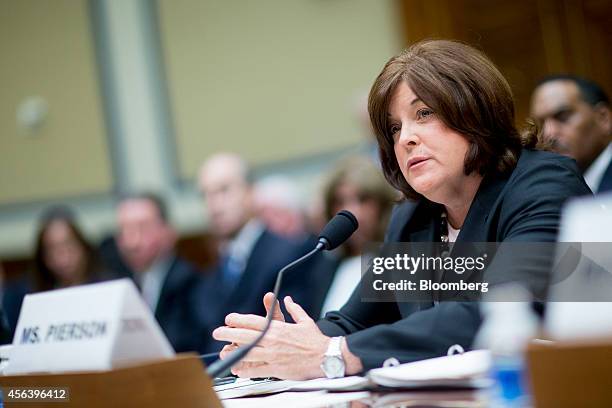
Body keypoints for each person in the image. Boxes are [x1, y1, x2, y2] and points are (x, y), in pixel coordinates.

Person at [211, 39, 591, 380]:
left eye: (424, 113)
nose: (406, 138)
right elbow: (352, 321)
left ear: (475, 110)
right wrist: (283, 344)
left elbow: (495, 313)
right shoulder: (416, 218)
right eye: (394, 128)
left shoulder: (543, 185)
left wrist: (332, 354)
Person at [196, 153, 314, 353]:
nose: (214, 205)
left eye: (224, 190)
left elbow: (291, 333)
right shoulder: (214, 270)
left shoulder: (288, 253)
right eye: (206, 195)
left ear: (250, 192)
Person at [116, 193, 202, 353]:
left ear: (168, 231)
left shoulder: (190, 283)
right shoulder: (124, 286)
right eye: (123, 230)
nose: (131, 242)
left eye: (142, 228)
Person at [311, 156, 396, 318]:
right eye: (340, 201)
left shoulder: (399, 260)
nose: (352, 211)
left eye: (363, 200)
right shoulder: (324, 267)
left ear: (382, 204)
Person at [530, 75, 612, 193]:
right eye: (540, 125)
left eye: (563, 117)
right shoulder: (547, 192)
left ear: (603, 118)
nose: (548, 133)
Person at [33, 206, 104, 292]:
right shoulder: (29, 294)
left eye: (68, 247)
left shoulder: (108, 287)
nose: (63, 259)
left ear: (83, 247)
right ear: (43, 257)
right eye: (52, 250)